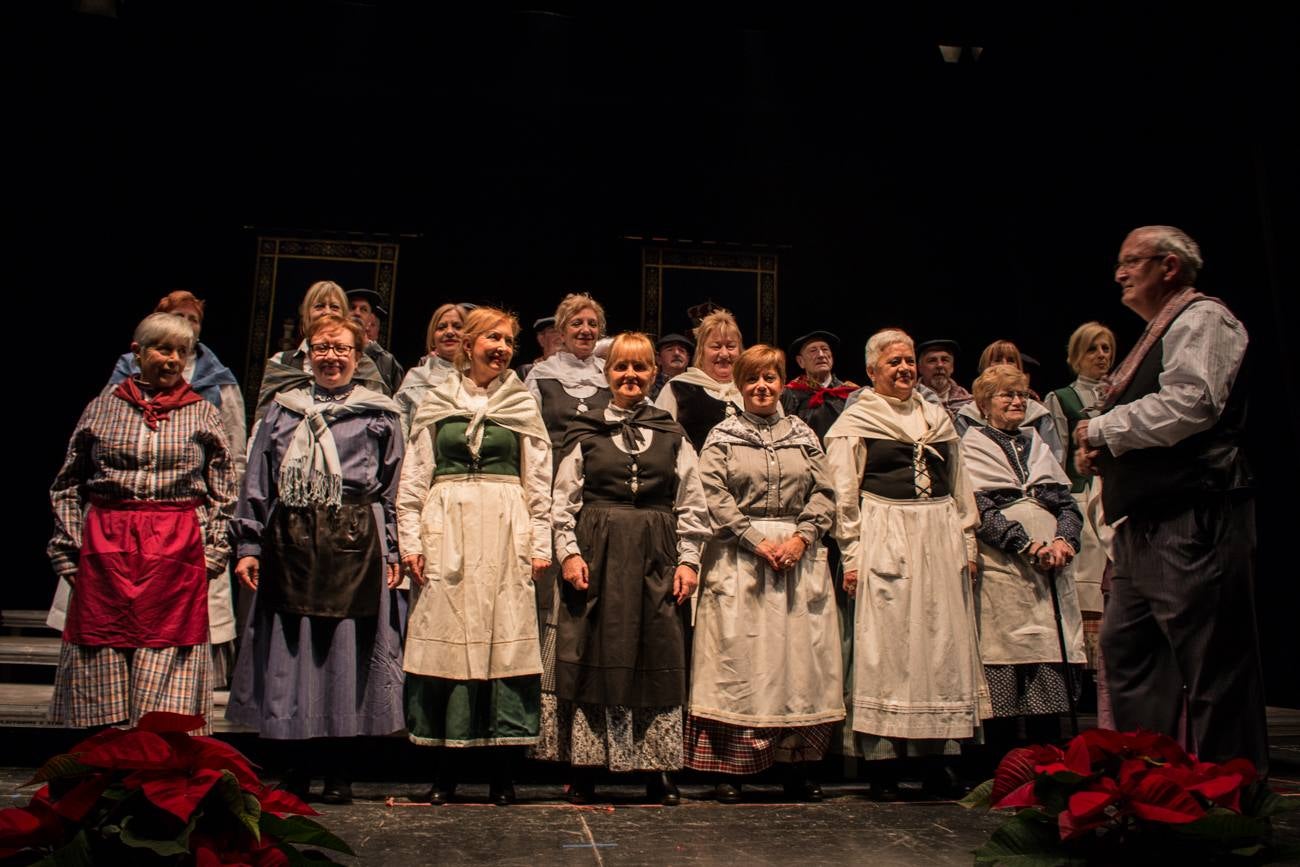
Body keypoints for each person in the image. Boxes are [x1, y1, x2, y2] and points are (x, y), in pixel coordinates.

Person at [1074, 225, 1266, 776]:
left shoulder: (1203, 318)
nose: (1120, 273)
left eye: (1131, 261)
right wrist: (1105, 453)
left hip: (1194, 512)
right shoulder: (1156, 331)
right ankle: (1146, 787)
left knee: (1211, 664)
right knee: (1129, 655)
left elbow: (1191, 403)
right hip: (1145, 521)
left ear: (1170, 267)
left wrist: (1102, 432)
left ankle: (1230, 794)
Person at [226, 313, 406, 805]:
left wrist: (393, 548)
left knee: (346, 655)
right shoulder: (283, 412)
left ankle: (339, 770)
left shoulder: (380, 414)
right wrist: (248, 545)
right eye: (322, 348)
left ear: (358, 356)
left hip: (353, 539)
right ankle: (296, 769)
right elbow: (257, 483)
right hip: (294, 537)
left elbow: (391, 489)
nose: (331, 356)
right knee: (293, 653)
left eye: (341, 348)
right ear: (308, 355)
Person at [540, 333, 710, 806]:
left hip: (655, 552)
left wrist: (689, 560)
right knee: (593, 647)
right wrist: (569, 553)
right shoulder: (585, 429)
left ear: (654, 374)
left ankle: (656, 767)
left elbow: (693, 503)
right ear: (607, 373)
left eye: (640, 369)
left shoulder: (672, 433)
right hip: (598, 549)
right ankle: (588, 766)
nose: (630, 377)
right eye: (621, 368)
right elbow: (562, 501)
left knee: (655, 649)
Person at [48, 312, 236, 733]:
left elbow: (225, 489)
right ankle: (104, 774)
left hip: (175, 549)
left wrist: (214, 552)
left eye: (181, 352)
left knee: (167, 664)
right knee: (102, 656)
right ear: (138, 353)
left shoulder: (202, 414)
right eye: (162, 349)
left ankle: (156, 770)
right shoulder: (103, 408)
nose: (171, 360)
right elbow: (67, 483)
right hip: (108, 544)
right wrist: (70, 551)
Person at [397, 307, 552, 806]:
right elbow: (415, 477)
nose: (503, 348)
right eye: (493, 338)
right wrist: (411, 542)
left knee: (502, 645)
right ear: (467, 344)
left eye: (509, 341)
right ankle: (446, 774)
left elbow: (539, 481)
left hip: (506, 529)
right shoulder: (437, 400)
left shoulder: (522, 403)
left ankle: (501, 775)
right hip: (449, 530)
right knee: (449, 644)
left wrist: (539, 543)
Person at [825, 328, 988, 796]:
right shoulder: (858, 420)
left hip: (937, 533)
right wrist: (852, 557)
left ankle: (935, 758)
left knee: (939, 644)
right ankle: (883, 762)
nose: (904, 369)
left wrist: (968, 545)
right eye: (893, 362)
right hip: (885, 531)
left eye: (909, 361)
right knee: (889, 647)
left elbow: (959, 486)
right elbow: (844, 496)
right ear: (872, 370)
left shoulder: (936, 416)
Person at [687, 345, 843, 803]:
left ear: (780, 383)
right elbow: (711, 493)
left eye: (770, 378)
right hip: (740, 558)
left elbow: (825, 490)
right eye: (752, 379)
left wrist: (801, 538)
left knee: (799, 663)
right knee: (743, 661)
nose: (761, 387)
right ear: (739, 384)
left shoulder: (802, 433)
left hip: (798, 556)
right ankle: (732, 770)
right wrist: (753, 539)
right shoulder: (722, 435)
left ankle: (796, 765)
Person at [961, 364, 1086, 749]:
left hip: (1052, 568)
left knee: (1049, 656)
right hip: (1004, 568)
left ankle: (1048, 763)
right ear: (983, 404)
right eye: (1005, 395)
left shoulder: (1037, 444)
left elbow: (1065, 503)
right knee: (1005, 659)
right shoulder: (971, 447)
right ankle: (1002, 764)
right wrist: (1025, 544)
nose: (1016, 401)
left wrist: (1064, 541)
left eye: (1020, 395)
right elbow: (978, 507)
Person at [1044, 322, 1117, 670]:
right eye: (1093, 349)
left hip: (1116, 493)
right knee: (1086, 579)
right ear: (1076, 355)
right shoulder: (1063, 398)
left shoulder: (1121, 393)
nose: (1101, 355)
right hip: (1080, 493)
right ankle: (1086, 668)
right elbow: (1056, 455)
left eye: (1106, 348)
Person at [253, 280, 387, 423]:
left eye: (334, 307)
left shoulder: (362, 363)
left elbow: (377, 418)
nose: (327, 312)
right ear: (306, 313)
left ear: (344, 315)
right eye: (319, 306)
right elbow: (263, 421)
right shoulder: (281, 362)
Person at [956, 339, 1065, 464]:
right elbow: (961, 461)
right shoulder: (967, 416)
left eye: (1011, 360)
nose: (1004, 364)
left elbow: (1054, 460)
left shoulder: (1038, 415)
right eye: (997, 360)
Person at [655, 308, 744, 450]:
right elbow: (659, 441)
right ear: (701, 351)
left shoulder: (752, 390)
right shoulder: (678, 388)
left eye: (731, 346)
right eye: (716, 346)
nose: (724, 353)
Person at [394, 303, 470, 439]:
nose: (449, 332)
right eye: (441, 327)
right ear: (433, 339)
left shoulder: (480, 377)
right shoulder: (415, 377)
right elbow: (400, 430)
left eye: (458, 327)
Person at [780, 330, 858, 442]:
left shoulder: (850, 393)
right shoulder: (790, 394)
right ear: (801, 361)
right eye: (813, 351)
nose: (821, 355)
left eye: (825, 349)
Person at [347, 288, 405, 395]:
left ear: (370, 320)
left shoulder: (386, 361)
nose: (357, 313)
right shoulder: (331, 351)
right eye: (352, 308)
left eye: (363, 309)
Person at [915, 338, 974, 420]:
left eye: (945, 360)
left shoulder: (969, 402)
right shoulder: (912, 399)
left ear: (952, 367)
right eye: (932, 360)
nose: (939, 365)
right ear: (920, 368)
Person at [517, 315, 563, 381]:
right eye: (554, 330)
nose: (562, 336)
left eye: (566, 331)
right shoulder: (526, 373)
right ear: (541, 339)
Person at [649, 332, 693, 400]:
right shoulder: (649, 387)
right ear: (658, 359)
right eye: (670, 350)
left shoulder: (695, 386)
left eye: (681, 350)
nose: (676, 353)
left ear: (688, 360)